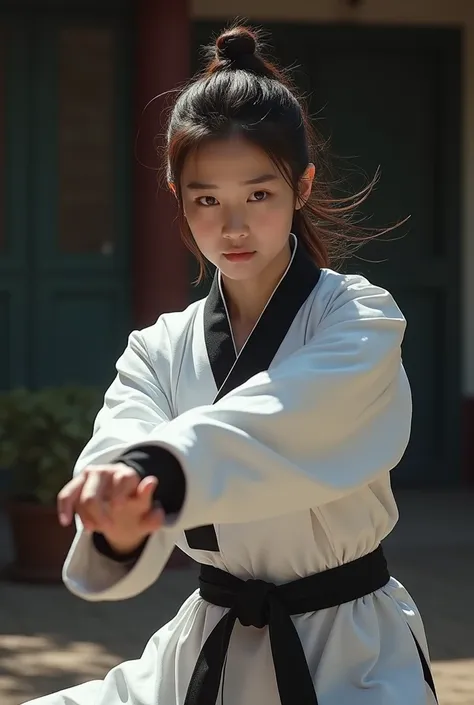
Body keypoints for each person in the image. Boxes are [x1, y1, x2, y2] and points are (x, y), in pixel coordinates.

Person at [27, 24, 438, 705]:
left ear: (301, 187)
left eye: (259, 194)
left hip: (350, 654)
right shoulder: (159, 346)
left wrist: (159, 472)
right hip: (206, 648)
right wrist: (119, 506)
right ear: (178, 200)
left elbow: (278, 418)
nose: (234, 226)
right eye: (207, 199)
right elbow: (124, 445)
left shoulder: (359, 319)